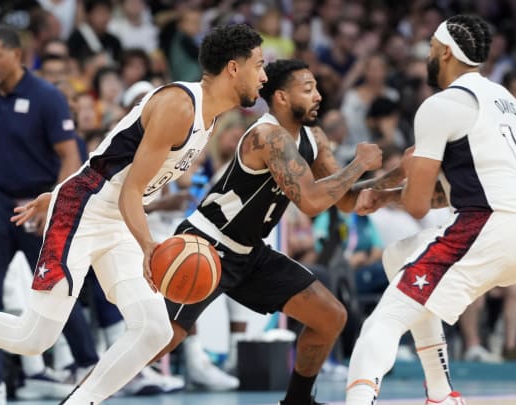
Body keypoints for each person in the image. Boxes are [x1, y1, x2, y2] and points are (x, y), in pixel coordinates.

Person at [0, 23, 267, 404]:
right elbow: (129, 191)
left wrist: (58, 192)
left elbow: (110, 155)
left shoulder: (210, 117)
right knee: (34, 337)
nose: (265, 75)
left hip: (112, 213)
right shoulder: (180, 106)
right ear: (234, 68)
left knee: (155, 329)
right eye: (259, 65)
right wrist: (148, 246)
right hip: (88, 211)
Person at [345, 15, 516, 405]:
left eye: (429, 50)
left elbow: (420, 204)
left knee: (382, 323)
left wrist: (400, 178)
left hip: (490, 227)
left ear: (445, 52)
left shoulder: (441, 105)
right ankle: (441, 393)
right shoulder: (507, 101)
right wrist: (388, 196)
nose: (427, 58)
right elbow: (462, 190)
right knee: (399, 257)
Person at [154, 59, 383, 405]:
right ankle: (89, 394)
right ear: (281, 97)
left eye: (317, 88)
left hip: (249, 252)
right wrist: (359, 163)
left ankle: (297, 402)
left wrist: (397, 178)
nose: (319, 96)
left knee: (330, 316)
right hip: (207, 244)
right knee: (160, 341)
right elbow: (309, 201)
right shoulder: (267, 135)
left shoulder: (314, 137)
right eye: (308, 90)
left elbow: (346, 200)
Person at [0, 24, 99, 401]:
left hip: (38, 204)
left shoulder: (47, 97)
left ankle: (88, 365)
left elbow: (71, 157)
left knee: (54, 290)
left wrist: (52, 201)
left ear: (16, 54)